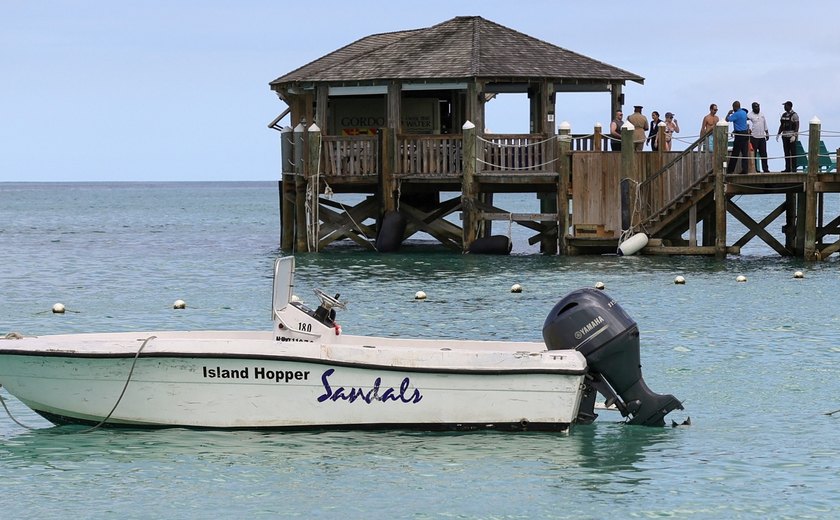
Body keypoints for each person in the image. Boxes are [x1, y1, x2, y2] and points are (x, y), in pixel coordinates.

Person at [726, 101, 750, 174]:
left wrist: (729, 113)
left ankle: (730, 170)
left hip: (739, 135)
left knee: (735, 153)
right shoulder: (744, 113)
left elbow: (727, 119)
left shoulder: (736, 114)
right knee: (744, 153)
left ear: (734, 107)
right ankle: (745, 169)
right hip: (745, 134)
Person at [777, 100, 800, 172]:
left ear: (789, 106)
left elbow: (797, 126)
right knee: (786, 153)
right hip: (784, 136)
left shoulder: (794, 115)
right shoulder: (783, 115)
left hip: (791, 136)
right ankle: (787, 168)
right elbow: (781, 125)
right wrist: (778, 133)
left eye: (785, 106)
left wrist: (794, 135)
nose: (784, 107)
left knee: (793, 152)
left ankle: (794, 168)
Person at [747, 102, 770, 172]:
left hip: (762, 137)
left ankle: (765, 169)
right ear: (753, 108)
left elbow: (765, 123)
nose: (757, 108)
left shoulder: (762, 114)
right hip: (754, 137)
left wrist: (767, 132)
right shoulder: (749, 116)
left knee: (764, 154)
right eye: (756, 107)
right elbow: (748, 124)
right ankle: (755, 169)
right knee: (754, 155)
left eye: (758, 107)